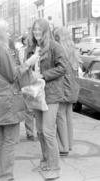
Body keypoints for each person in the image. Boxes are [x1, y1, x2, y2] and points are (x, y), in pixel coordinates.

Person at [0, 18, 36, 181]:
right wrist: (28, 63)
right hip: (6, 101)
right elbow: (13, 75)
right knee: (10, 141)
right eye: (6, 31)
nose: (8, 33)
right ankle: (5, 175)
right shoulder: (1, 50)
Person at [26, 18, 67, 180]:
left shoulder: (55, 47)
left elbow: (63, 67)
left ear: (45, 30)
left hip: (51, 94)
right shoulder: (31, 48)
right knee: (40, 131)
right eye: (34, 29)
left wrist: (43, 75)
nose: (36, 32)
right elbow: (26, 67)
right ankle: (45, 162)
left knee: (49, 131)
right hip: (36, 93)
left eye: (39, 29)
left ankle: (55, 167)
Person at [53, 27, 81, 156]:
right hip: (72, 87)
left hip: (62, 86)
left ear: (58, 37)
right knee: (68, 115)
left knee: (60, 115)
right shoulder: (73, 50)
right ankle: (69, 144)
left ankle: (63, 146)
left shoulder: (59, 49)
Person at [16, 35, 36, 141]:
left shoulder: (35, 50)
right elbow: (19, 65)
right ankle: (26, 132)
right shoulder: (20, 51)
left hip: (35, 79)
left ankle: (32, 132)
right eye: (26, 40)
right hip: (23, 79)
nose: (27, 42)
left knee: (32, 108)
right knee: (24, 107)